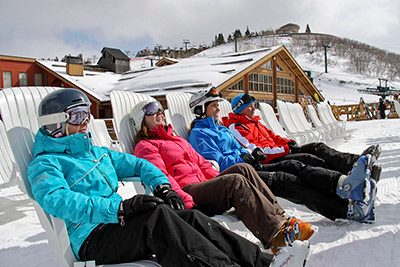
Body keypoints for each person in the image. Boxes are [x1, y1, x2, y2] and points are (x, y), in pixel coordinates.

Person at [27, 88, 310, 267]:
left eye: (86, 114)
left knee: (187, 216)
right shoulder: (45, 164)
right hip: (92, 238)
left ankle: (263, 262)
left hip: (116, 223)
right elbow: (56, 201)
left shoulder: (95, 152)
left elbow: (140, 165)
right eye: (76, 115)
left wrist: (162, 186)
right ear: (55, 124)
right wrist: (120, 208)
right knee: (157, 222)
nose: (85, 121)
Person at [130, 98, 317, 257]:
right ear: (141, 121)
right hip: (188, 194)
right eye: (151, 110)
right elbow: (161, 176)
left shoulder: (177, 139)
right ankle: (276, 236)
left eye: (160, 109)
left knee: (242, 169)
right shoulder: (146, 146)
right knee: (235, 182)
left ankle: (281, 220)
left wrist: (218, 182)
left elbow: (203, 163)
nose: (159, 112)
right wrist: (185, 201)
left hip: (203, 186)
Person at [188, 88, 378, 223]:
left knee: (298, 167)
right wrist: (244, 158)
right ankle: (348, 208)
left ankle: (345, 186)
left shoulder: (221, 129)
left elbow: (241, 148)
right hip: (237, 174)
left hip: (251, 166)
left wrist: (249, 154)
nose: (218, 109)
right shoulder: (200, 134)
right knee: (291, 181)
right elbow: (215, 163)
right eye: (214, 106)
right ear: (200, 110)